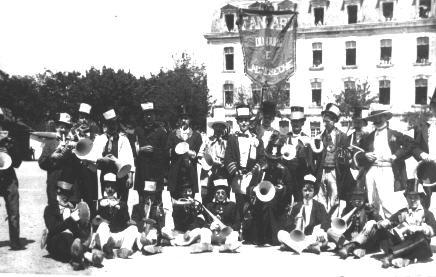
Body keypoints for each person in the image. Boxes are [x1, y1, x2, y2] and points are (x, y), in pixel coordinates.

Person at [341, 180, 436, 268]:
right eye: (410, 197)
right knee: (373, 224)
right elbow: (389, 221)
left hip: (419, 247)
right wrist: (384, 223)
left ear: (421, 198)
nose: (413, 200)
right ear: (406, 198)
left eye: (416, 197)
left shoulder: (427, 214)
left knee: (421, 238)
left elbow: (434, 231)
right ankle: (352, 246)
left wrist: (420, 228)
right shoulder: (402, 212)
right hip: (400, 244)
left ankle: (392, 256)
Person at [355, 103, 415, 218]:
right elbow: (358, 153)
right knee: (372, 200)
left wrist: (396, 155)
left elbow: (411, 144)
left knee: (387, 200)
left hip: (388, 170)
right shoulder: (368, 137)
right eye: (374, 118)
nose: (377, 120)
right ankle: (375, 226)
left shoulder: (395, 134)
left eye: (379, 117)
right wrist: (366, 155)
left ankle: (391, 226)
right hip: (371, 170)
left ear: (385, 117)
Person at [224, 104, 264, 241]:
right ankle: (236, 229)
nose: (244, 123)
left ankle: (249, 232)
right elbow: (228, 156)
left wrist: (255, 169)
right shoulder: (232, 138)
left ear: (250, 121)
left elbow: (262, 158)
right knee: (237, 203)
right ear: (237, 122)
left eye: (246, 120)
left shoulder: (256, 139)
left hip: (251, 176)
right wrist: (235, 171)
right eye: (241, 120)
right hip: (237, 176)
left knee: (250, 203)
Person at [41, 177, 95, 270]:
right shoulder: (50, 209)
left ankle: (81, 255)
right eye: (61, 194)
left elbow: (76, 232)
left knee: (78, 239)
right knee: (65, 240)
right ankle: (83, 256)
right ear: (57, 194)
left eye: (67, 194)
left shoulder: (72, 208)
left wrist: (80, 222)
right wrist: (71, 219)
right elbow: (53, 229)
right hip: (56, 241)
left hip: (71, 240)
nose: (65, 197)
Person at [250, 133, 294, 246]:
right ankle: (262, 238)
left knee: (270, 206)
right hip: (260, 202)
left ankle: (272, 238)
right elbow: (249, 188)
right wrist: (254, 189)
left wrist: (282, 189)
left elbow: (290, 189)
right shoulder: (261, 169)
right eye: (270, 160)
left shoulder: (284, 170)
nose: (273, 163)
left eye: (275, 160)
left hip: (279, 203)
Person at [278, 174, 331, 254]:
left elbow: (326, 223)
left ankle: (291, 246)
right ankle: (308, 248)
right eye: (305, 190)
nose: (307, 193)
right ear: (301, 191)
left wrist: (319, 230)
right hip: (298, 237)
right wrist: (294, 223)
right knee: (281, 233)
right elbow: (287, 226)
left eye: (310, 191)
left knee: (322, 234)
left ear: (314, 192)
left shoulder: (319, 206)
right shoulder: (296, 206)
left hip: (311, 236)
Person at [91, 173, 139, 259]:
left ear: (116, 188)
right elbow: (93, 221)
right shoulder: (99, 203)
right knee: (103, 226)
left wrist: (118, 207)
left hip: (118, 236)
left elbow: (127, 221)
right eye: (107, 187)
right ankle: (106, 250)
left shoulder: (122, 204)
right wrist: (101, 220)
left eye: (112, 187)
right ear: (104, 188)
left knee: (133, 229)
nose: (110, 189)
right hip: (105, 236)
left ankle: (124, 250)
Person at [313, 103, 351, 213]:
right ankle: (322, 221)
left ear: (334, 121)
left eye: (328, 121)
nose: (325, 124)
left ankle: (332, 221)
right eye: (324, 121)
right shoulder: (320, 136)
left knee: (334, 196)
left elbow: (347, 152)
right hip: (322, 170)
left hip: (335, 171)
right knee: (321, 195)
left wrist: (342, 154)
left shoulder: (342, 136)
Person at [93, 109, 135, 203]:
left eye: (115, 124)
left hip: (120, 174)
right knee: (104, 200)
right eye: (110, 124)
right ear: (106, 125)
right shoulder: (99, 139)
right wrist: (102, 159)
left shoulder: (124, 140)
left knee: (120, 200)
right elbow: (94, 156)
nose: (113, 126)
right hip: (104, 173)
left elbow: (129, 159)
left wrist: (130, 176)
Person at [330, 185, 383, 259]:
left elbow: (379, 222)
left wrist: (372, 212)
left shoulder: (368, 209)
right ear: (351, 200)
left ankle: (351, 248)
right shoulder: (347, 209)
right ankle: (352, 247)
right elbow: (341, 227)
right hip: (350, 238)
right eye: (354, 198)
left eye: (360, 198)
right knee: (330, 231)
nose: (357, 201)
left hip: (364, 239)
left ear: (364, 199)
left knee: (371, 224)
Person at [134, 102, 168, 212]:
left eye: (151, 114)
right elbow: (131, 150)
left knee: (157, 198)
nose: (149, 117)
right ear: (143, 116)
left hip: (156, 173)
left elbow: (165, 154)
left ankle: (158, 223)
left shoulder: (161, 132)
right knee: (142, 198)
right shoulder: (138, 131)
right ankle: (141, 223)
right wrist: (141, 149)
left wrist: (165, 174)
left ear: (155, 116)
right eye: (146, 114)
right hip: (142, 172)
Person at [0, 107, 26, 250]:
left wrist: (10, 146)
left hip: (8, 176)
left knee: (13, 210)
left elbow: (17, 163)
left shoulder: (9, 137)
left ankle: (15, 240)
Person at [39, 112, 77, 206]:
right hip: (54, 183)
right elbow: (41, 163)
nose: (64, 129)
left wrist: (74, 154)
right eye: (61, 127)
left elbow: (78, 166)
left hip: (69, 183)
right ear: (56, 127)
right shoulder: (50, 142)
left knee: (70, 211)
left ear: (70, 129)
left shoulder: (73, 143)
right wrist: (51, 156)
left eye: (67, 127)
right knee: (54, 209)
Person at [164, 182, 213, 253]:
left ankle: (205, 244)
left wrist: (196, 208)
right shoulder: (177, 206)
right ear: (182, 193)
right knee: (167, 231)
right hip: (181, 231)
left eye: (189, 191)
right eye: (185, 192)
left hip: (192, 230)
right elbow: (178, 222)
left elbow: (201, 220)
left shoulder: (196, 204)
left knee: (202, 231)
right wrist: (183, 207)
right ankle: (198, 243)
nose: (187, 193)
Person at [166, 105, 203, 199]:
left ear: (190, 120)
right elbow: (167, 151)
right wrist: (176, 151)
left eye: (186, 118)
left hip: (190, 173)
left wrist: (193, 154)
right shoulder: (173, 134)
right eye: (182, 118)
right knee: (176, 201)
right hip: (176, 173)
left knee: (190, 201)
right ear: (179, 120)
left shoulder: (196, 136)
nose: (184, 121)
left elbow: (199, 153)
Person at [282, 106, 315, 201]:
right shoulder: (286, 138)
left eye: (298, 121)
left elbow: (310, 160)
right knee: (286, 199)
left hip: (301, 175)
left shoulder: (307, 139)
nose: (296, 124)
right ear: (291, 123)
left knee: (300, 200)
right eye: (293, 122)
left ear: (302, 123)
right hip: (287, 174)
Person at [198, 106, 228, 204]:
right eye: (217, 126)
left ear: (224, 128)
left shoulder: (226, 142)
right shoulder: (207, 140)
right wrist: (205, 162)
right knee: (206, 197)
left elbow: (230, 157)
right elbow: (200, 155)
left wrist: (224, 163)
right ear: (213, 127)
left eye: (221, 127)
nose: (219, 129)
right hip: (207, 174)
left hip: (221, 174)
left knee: (220, 196)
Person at [205, 175, 242, 252]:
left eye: (223, 193)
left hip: (226, 235)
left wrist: (228, 228)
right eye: (218, 193)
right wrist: (210, 226)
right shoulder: (210, 206)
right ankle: (206, 245)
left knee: (235, 233)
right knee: (204, 231)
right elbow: (204, 222)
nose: (220, 195)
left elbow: (237, 223)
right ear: (214, 194)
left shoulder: (232, 205)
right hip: (214, 234)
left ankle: (227, 246)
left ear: (226, 195)